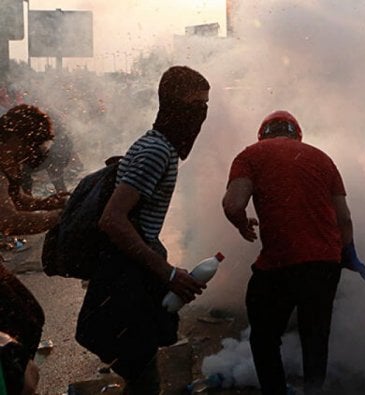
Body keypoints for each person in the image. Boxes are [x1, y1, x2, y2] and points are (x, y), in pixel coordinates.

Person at [75, 66, 210, 395]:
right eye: (196, 106)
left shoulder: (161, 148)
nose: (201, 116)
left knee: (142, 369)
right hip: (125, 276)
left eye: (206, 107)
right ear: (173, 105)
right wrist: (168, 274)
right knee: (143, 374)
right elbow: (112, 219)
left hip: (133, 274)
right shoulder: (156, 151)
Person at [223, 110, 365, 395]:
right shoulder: (322, 159)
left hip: (279, 263)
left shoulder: (250, 156)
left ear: (262, 134)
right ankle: (313, 390)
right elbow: (344, 219)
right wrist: (348, 253)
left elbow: (232, 205)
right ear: (297, 134)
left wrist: (242, 225)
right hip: (325, 265)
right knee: (316, 337)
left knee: (265, 338)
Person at [0, 104, 63, 395]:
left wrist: (47, 202)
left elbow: (18, 199)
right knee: (25, 320)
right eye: (33, 142)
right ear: (16, 137)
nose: (35, 152)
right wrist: (57, 218)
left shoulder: (9, 158)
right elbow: (8, 220)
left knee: (28, 319)